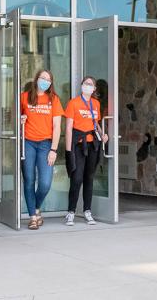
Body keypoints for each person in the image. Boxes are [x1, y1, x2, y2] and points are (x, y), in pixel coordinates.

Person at [20, 69, 64, 230]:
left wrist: (54, 149)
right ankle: (33, 217)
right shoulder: (24, 97)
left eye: (48, 79)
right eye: (42, 78)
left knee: (45, 183)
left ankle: (36, 208)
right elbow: (13, 119)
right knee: (29, 180)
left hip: (46, 144)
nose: (45, 81)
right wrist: (20, 119)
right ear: (36, 79)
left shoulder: (54, 99)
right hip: (28, 143)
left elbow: (57, 126)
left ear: (51, 83)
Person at [64, 76, 108, 226]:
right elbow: (69, 127)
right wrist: (68, 150)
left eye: (90, 84)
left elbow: (95, 123)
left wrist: (103, 135)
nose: (87, 86)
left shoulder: (95, 104)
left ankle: (87, 211)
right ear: (81, 85)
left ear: (94, 89)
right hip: (78, 144)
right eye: (85, 83)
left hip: (92, 144)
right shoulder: (73, 103)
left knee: (89, 177)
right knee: (76, 178)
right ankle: (71, 212)